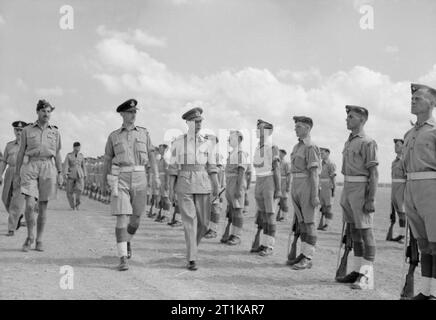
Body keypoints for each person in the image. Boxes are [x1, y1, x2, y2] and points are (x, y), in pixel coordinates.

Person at [102, 99, 160, 271]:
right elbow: (107, 160)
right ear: (122, 114)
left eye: (135, 112)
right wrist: (105, 179)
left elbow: (151, 156)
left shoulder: (144, 133)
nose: (133, 115)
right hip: (121, 177)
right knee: (122, 216)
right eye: (129, 112)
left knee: (136, 218)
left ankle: (126, 241)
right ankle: (122, 257)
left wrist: (155, 176)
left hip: (141, 176)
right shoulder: (114, 136)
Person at [168, 107, 219, 271]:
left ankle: (192, 250)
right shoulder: (178, 142)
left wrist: (216, 184)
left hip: (203, 183)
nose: (199, 124)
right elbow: (173, 167)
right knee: (190, 222)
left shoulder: (207, 142)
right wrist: (170, 188)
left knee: (203, 224)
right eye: (195, 122)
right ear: (188, 123)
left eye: (200, 122)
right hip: (184, 183)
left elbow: (212, 166)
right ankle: (192, 258)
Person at [336, 105, 378, 290]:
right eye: (347, 116)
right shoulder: (349, 141)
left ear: (362, 120)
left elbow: (374, 173)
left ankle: (366, 277)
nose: (347, 119)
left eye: (351, 117)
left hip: (361, 188)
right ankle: (357, 270)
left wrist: (370, 198)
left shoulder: (368, 142)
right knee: (354, 232)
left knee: (366, 232)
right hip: (348, 187)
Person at [401, 83, 436, 299]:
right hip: (411, 189)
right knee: (423, 244)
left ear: (432, 103)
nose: (413, 101)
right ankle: (425, 290)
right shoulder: (408, 133)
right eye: (412, 98)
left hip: (431, 188)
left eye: (418, 99)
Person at [15, 99, 64, 252]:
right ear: (37, 112)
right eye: (43, 111)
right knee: (29, 205)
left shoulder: (55, 132)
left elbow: (57, 154)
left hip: (48, 167)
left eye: (49, 111)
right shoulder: (27, 131)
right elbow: (21, 152)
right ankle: (30, 236)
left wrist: (60, 172)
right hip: (31, 166)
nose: (46, 114)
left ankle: (40, 239)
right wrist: (17, 173)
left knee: (43, 207)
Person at [288, 116, 321, 270]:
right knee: (301, 223)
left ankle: (308, 257)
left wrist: (314, 195)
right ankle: (302, 253)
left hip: (307, 185)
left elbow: (314, 173)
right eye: (296, 126)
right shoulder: (296, 147)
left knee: (310, 223)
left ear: (307, 128)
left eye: (299, 126)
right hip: (295, 185)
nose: (295, 129)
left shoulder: (310, 147)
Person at [250, 119, 281, 257]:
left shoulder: (272, 147)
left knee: (270, 214)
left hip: (269, 181)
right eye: (257, 129)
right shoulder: (258, 147)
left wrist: (278, 189)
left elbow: (277, 169)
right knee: (262, 215)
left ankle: (269, 245)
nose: (258, 131)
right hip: (259, 180)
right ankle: (263, 243)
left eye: (261, 129)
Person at [0, 121, 28, 236]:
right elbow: (4, 161)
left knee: (16, 201)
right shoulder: (9, 145)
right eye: (17, 130)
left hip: (22, 173)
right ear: (14, 131)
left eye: (21, 130)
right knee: (5, 198)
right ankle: (17, 215)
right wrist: (0, 174)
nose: (19, 132)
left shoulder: (28, 145)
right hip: (10, 172)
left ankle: (11, 228)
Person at [221, 130, 248, 245]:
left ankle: (237, 235)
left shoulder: (240, 153)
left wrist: (238, 189)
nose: (228, 140)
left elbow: (241, 171)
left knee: (237, 211)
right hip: (230, 183)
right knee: (231, 210)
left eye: (231, 138)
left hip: (237, 183)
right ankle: (232, 233)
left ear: (239, 139)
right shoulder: (232, 153)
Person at [388, 139, 407, 243]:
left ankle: (403, 235)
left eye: (398, 145)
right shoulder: (394, 161)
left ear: (404, 147)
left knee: (403, 211)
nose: (396, 147)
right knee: (398, 213)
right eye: (395, 145)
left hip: (402, 188)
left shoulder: (405, 160)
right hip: (394, 188)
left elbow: (407, 177)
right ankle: (401, 234)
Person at [63, 142, 87, 210]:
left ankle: (77, 203)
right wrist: (65, 173)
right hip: (71, 174)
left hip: (80, 174)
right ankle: (72, 205)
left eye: (79, 147)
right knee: (69, 191)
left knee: (80, 190)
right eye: (77, 147)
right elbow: (66, 165)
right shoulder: (69, 155)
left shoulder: (81, 156)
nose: (79, 149)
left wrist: (85, 174)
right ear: (74, 147)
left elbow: (84, 166)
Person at [317, 147, 336, 231]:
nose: (321, 155)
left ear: (328, 153)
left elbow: (333, 178)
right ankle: (322, 223)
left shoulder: (331, 164)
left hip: (328, 187)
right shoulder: (320, 164)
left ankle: (327, 224)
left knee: (328, 206)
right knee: (323, 206)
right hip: (321, 187)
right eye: (320, 153)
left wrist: (334, 189)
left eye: (322, 153)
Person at [153, 144, 171, 223]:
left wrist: (167, 183)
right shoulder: (161, 158)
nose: (159, 150)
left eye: (161, 148)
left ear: (165, 149)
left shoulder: (166, 158)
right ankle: (162, 214)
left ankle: (166, 216)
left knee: (166, 198)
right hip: (160, 180)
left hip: (164, 179)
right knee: (162, 198)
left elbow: (167, 171)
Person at [277, 149, 291, 222]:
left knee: (284, 199)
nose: (279, 154)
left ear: (283, 154)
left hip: (284, 182)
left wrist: (288, 185)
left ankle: (285, 216)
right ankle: (281, 215)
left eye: (280, 153)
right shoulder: (277, 162)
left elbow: (289, 175)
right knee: (280, 200)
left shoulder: (286, 163)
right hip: (278, 182)